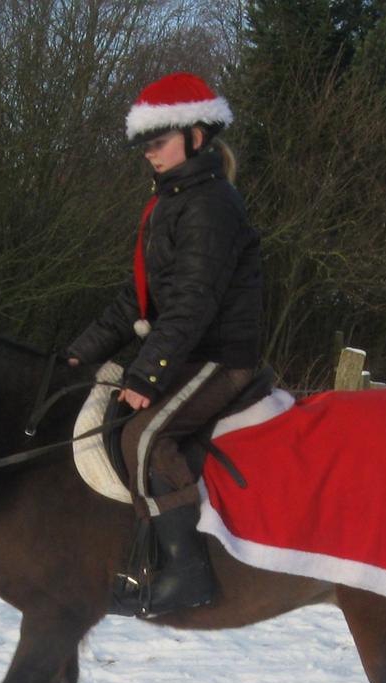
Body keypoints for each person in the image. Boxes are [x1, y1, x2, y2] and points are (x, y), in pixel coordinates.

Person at [65, 72, 263, 618]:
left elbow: (194, 303)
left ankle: (189, 573)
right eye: (144, 145)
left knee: (145, 436)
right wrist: (78, 354)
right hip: (189, 347)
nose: (149, 153)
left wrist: (144, 375)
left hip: (221, 356)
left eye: (158, 141)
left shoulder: (210, 204)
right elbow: (138, 301)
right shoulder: (169, 204)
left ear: (196, 136)